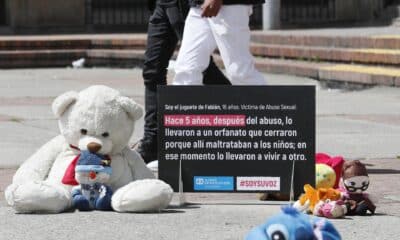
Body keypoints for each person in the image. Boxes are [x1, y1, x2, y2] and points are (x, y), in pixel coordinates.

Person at [138, 0, 231, 164]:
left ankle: (240, 115)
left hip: (183, 4)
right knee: (152, 70)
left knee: (200, 67)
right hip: (161, 4)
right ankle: (152, 142)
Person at [173, 0, 265, 85]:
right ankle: (183, 102)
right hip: (199, 5)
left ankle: (268, 101)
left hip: (229, 5)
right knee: (186, 69)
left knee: (239, 72)